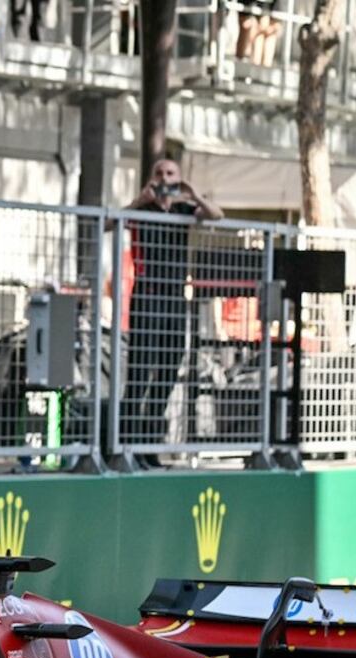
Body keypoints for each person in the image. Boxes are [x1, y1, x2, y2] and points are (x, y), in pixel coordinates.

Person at [120, 159, 223, 464]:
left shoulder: (183, 210)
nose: (164, 179)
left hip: (175, 298)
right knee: (140, 371)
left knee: (168, 368)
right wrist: (139, 200)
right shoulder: (142, 209)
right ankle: (126, 444)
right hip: (147, 296)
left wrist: (193, 194)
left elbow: (216, 214)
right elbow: (110, 222)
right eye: (159, 173)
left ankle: (149, 443)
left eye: (170, 174)